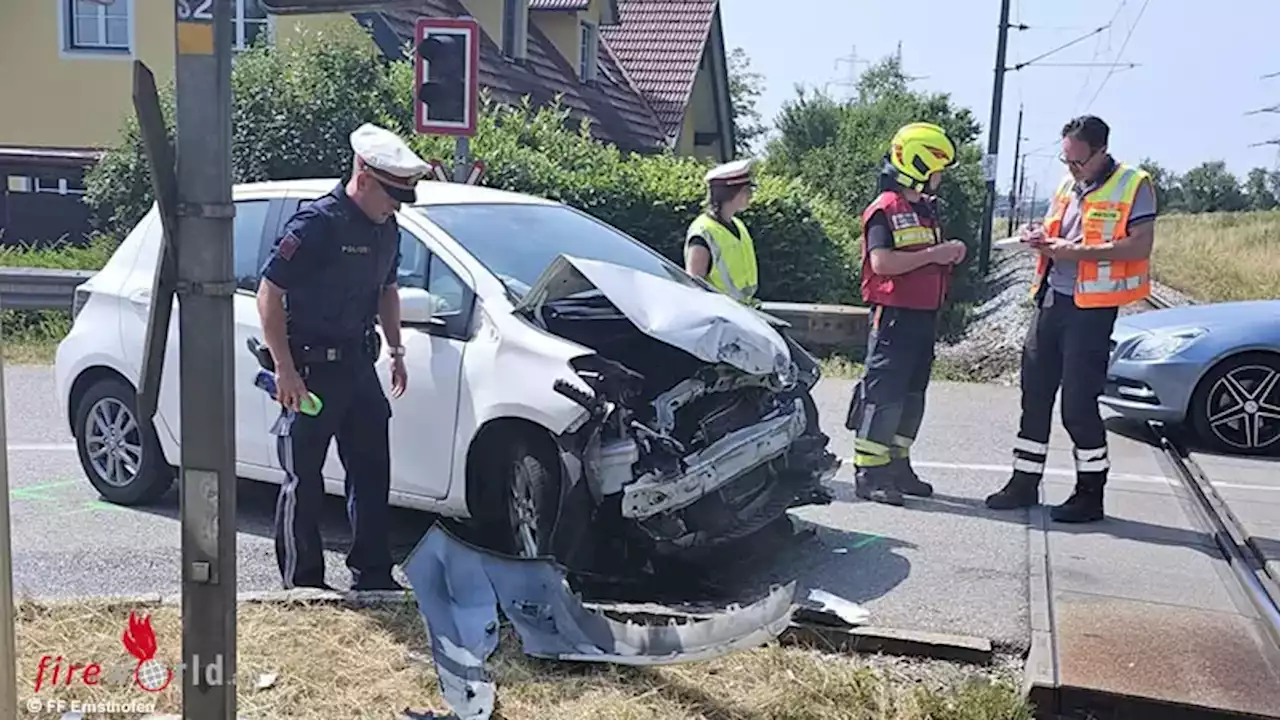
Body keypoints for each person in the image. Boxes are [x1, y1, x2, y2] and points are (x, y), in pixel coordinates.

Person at [256, 122, 426, 591]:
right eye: (392, 194)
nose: (397, 205)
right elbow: (270, 292)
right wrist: (285, 368)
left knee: (372, 471)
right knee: (303, 480)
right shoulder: (318, 224)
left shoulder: (387, 228)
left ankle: (373, 574)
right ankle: (303, 583)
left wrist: (395, 349)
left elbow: (387, 290)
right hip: (309, 370)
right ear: (364, 177)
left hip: (357, 364)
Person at [984, 115, 1156, 523]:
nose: (1071, 168)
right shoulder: (1067, 183)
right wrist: (1038, 236)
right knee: (1035, 395)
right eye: (1066, 160)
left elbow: (1139, 246)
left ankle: (1089, 494)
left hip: (1091, 310)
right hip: (1051, 301)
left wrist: (1074, 252)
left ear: (1101, 152)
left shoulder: (1135, 184)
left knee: (1078, 406)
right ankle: (1024, 482)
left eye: (1078, 161)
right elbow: (1055, 228)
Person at [847, 122, 968, 506]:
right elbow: (881, 263)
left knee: (912, 395)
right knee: (885, 395)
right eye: (937, 170)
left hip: (923, 316)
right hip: (895, 316)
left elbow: (921, 258)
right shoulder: (884, 210)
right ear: (917, 164)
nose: (940, 178)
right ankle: (870, 472)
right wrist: (935, 254)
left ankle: (898, 465)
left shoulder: (924, 209)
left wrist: (948, 252)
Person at [684, 158, 761, 307]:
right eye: (746, 190)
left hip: (742, 312)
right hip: (719, 318)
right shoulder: (703, 232)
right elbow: (694, 287)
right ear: (730, 192)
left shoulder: (738, 225)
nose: (751, 195)